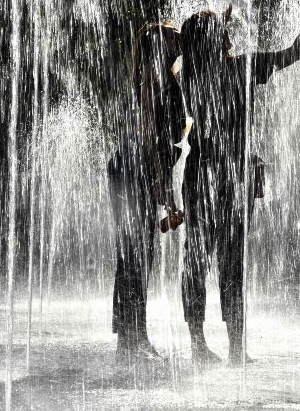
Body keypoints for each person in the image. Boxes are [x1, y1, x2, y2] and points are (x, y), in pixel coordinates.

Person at [179, 0, 300, 365]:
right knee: (231, 261)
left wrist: (211, 25)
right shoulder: (240, 68)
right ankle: (236, 349)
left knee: (197, 260)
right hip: (231, 175)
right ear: (213, 40)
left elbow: (181, 57)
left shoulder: (188, 78)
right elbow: (292, 53)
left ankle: (199, 345)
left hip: (202, 174)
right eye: (222, 32)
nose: (229, 35)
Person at [108, 21, 187, 361]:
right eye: (173, 37)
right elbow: (150, 142)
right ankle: (133, 338)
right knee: (136, 255)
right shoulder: (153, 81)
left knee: (135, 255)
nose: (179, 41)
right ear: (161, 44)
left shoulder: (159, 79)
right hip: (131, 172)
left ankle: (130, 337)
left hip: (131, 170)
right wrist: (166, 195)